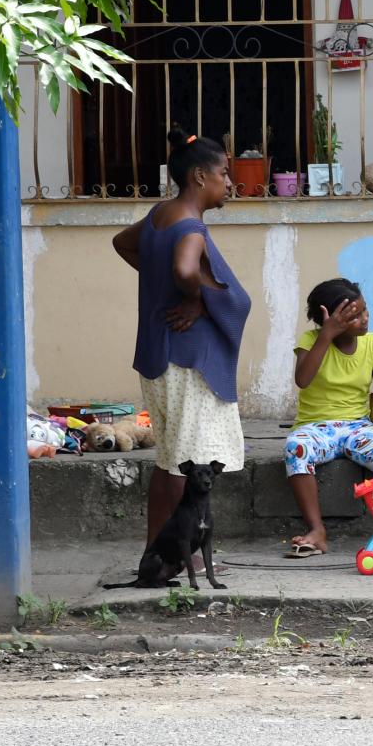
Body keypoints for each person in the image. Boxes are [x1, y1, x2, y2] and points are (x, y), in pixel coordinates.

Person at [111, 134, 251, 569]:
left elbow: (123, 243)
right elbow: (186, 269)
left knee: (168, 460)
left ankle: (157, 554)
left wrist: (167, 283)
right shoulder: (190, 226)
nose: (229, 182)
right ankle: (183, 558)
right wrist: (194, 297)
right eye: (224, 172)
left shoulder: (159, 215)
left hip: (158, 357)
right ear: (199, 175)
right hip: (189, 361)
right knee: (185, 466)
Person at [283, 278, 373, 557]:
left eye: (365, 311)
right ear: (330, 319)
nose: (365, 319)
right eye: (355, 315)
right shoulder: (311, 341)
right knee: (295, 447)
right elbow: (302, 379)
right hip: (316, 427)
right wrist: (325, 337)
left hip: (358, 427)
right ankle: (317, 531)